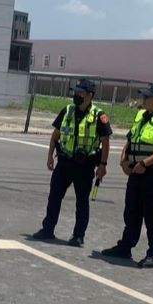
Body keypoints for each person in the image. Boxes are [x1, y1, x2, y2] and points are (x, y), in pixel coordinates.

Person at [101, 83, 153, 268]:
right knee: (132, 212)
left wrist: (145, 163)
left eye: (147, 97)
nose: (143, 100)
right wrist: (123, 161)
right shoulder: (141, 116)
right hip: (135, 173)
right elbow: (130, 141)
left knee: (152, 217)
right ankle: (125, 246)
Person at [32, 79, 112, 247]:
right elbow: (55, 135)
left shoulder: (99, 115)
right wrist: (49, 156)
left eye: (81, 93)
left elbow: (105, 141)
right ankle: (48, 229)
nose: (77, 95)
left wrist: (103, 165)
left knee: (82, 201)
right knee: (54, 196)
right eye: (76, 92)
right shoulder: (67, 110)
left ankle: (78, 236)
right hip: (64, 163)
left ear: (90, 95)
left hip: (85, 166)